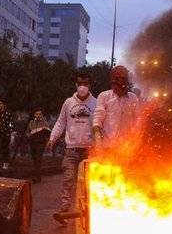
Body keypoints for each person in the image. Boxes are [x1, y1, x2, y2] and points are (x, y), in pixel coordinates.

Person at [47, 71, 97, 216]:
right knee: (68, 179)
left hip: (89, 150)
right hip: (71, 150)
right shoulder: (68, 103)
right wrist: (52, 138)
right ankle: (65, 208)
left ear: (90, 84)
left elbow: (100, 125)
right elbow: (61, 122)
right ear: (76, 85)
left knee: (88, 182)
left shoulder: (96, 103)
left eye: (85, 83)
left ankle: (87, 208)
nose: (82, 86)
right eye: (80, 83)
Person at [92, 65, 141, 148]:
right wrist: (97, 137)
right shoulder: (104, 96)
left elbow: (138, 121)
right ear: (112, 81)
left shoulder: (133, 98)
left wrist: (135, 140)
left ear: (127, 81)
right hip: (107, 147)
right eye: (117, 78)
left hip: (126, 149)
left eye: (123, 78)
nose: (120, 81)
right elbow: (97, 118)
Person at [25, 107, 51, 183]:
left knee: (38, 159)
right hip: (32, 143)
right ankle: (36, 175)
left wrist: (48, 142)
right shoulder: (31, 122)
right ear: (34, 115)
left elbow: (48, 133)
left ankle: (37, 177)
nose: (38, 115)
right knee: (34, 160)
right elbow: (27, 132)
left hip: (41, 143)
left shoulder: (45, 123)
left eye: (40, 114)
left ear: (42, 115)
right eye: (37, 114)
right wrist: (29, 136)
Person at [0, 99, 14, 170]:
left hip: (6, 134)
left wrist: (10, 131)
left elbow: (11, 123)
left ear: (3, 105)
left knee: (5, 149)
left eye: (0, 103)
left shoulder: (8, 113)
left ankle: (5, 163)